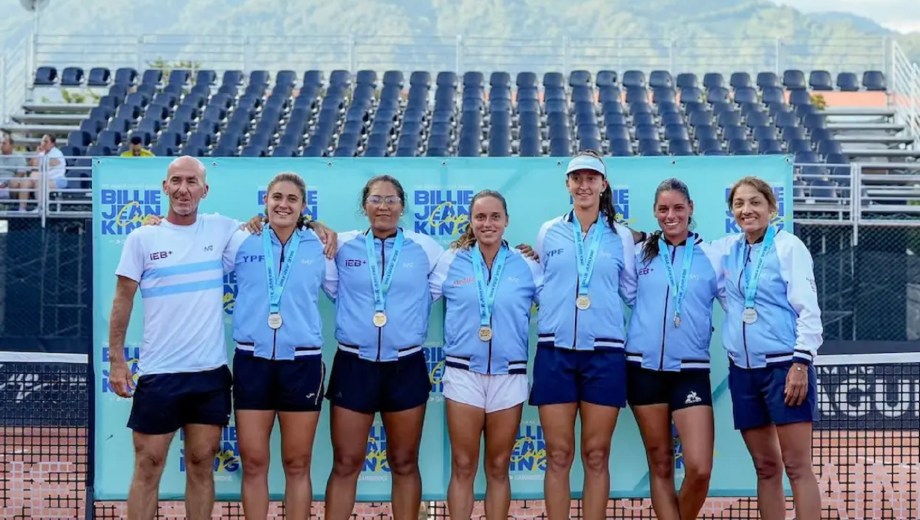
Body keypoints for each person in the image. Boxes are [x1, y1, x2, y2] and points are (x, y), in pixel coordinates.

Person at [107, 156, 244, 520]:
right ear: (165, 187)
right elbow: (122, 299)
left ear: (204, 190)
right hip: (159, 374)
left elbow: (272, 225)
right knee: (148, 464)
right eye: (177, 181)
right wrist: (117, 360)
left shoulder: (222, 229)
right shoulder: (142, 238)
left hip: (209, 374)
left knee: (201, 463)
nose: (184, 189)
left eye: (191, 181)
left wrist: (317, 226)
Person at [322, 175, 443, 520]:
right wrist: (315, 224)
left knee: (404, 461)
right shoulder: (342, 245)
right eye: (376, 199)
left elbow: (443, 282)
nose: (384, 207)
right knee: (346, 462)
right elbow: (332, 286)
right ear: (365, 206)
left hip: (406, 366)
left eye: (391, 200)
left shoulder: (426, 248)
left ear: (402, 207)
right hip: (354, 365)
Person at [529, 150, 637, 520]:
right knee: (558, 454)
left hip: (605, 355)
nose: (584, 185)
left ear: (603, 185)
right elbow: (540, 282)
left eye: (591, 178)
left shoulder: (621, 236)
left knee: (596, 454)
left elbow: (632, 291)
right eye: (577, 178)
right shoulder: (548, 231)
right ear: (568, 184)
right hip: (554, 352)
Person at [222, 172, 332, 520]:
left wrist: (318, 227)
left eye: (292, 199)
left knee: (297, 463)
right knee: (254, 462)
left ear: (304, 207)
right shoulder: (240, 240)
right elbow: (193, 241)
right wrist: (157, 224)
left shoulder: (323, 245)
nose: (283, 205)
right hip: (252, 361)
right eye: (277, 197)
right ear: (265, 202)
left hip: (302, 364)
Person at [429, 190, 543, 520]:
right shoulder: (451, 260)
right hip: (463, 373)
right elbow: (414, 297)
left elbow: (556, 303)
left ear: (506, 221)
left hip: (510, 375)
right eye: (480, 217)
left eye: (495, 217)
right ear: (471, 221)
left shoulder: (526, 264)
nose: (487, 223)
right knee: (463, 464)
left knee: (498, 465)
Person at [718, 176, 822, 520]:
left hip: (784, 369)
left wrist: (800, 363)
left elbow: (809, 311)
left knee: (796, 466)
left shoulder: (789, 247)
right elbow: (680, 243)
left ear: (772, 208)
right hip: (743, 373)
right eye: (739, 204)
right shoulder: (728, 250)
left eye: (755, 202)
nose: (746, 210)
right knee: (765, 467)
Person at [623, 178, 720, 520]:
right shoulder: (640, 254)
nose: (671, 215)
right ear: (654, 212)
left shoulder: (713, 256)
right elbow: (628, 292)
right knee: (661, 463)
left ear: (691, 208)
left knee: (699, 468)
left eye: (678, 207)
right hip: (642, 369)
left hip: (690, 371)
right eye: (663, 209)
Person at [14, 134, 65, 212]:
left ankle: (41, 208)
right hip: (41, 178)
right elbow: (32, 166)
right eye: (42, 141)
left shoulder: (57, 153)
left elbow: (51, 163)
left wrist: (38, 160)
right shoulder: (41, 153)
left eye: (46, 141)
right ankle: (22, 209)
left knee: (39, 180)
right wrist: (37, 154)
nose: (43, 143)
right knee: (25, 181)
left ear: (52, 144)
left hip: (56, 180)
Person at [0, 133, 28, 206]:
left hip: (10, 184)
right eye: (0, 143)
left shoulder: (19, 157)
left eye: (4, 143)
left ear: (11, 145)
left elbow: (21, 173)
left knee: (14, 182)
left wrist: (5, 183)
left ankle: (12, 204)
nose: (1, 145)